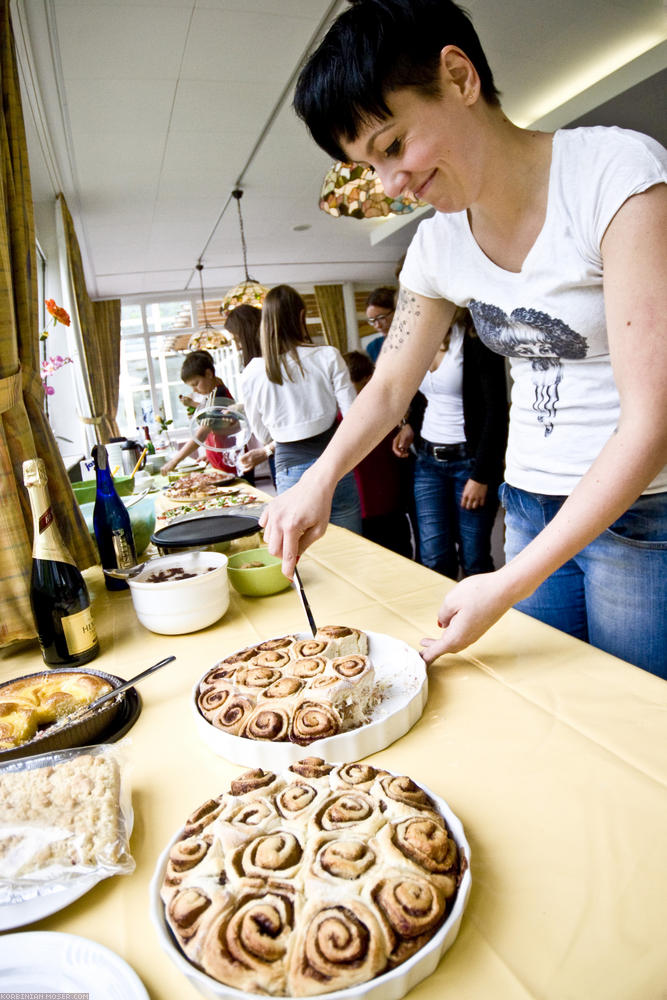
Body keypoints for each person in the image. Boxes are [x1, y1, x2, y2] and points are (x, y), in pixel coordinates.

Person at [259, 0, 667, 678]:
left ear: (457, 76)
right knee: (555, 712)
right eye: (368, 166)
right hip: (529, 501)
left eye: (391, 146)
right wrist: (319, 480)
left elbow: (650, 419)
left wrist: (503, 584)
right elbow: (390, 385)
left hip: (638, 515)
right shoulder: (437, 247)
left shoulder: (613, 176)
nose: (391, 184)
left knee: (635, 726)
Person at [392, 307, 507, 578]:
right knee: (433, 558)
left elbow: (496, 411)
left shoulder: (475, 335)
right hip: (427, 462)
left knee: (475, 559)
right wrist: (410, 426)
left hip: (469, 462)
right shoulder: (420, 337)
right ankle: (442, 621)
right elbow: (425, 396)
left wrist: (481, 475)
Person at [241, 284, 362, 533]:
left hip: (290, 469)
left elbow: (262, 435)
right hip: (334, 464)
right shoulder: (328, 355)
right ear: (301, 317)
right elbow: (353, 416)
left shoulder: (252, 372)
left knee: (305, 554)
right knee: (353, 550)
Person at [343, 350, 413, 557]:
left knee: (396, 551)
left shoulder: (386, 412)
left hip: (386, 501)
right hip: (366, 504)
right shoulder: (346, 415)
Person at [161, 351, 236, 475]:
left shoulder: (218, 395)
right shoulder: (214, 391)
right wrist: (210, 455)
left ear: (208, 373)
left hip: (230, 464)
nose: (194, 390)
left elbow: (201, 434)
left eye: (196, 384)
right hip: (221, 462)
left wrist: (174, 461)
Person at [364, 286, 396, 362]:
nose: (378, 325)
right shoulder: (373, 347)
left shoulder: (417, 339)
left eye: (381, 318)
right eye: (372, 320)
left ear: (396, 312)